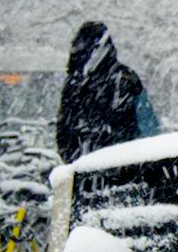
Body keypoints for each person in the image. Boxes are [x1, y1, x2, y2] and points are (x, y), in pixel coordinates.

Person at [55, 22, 159, 162]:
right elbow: (149, 128)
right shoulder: (123, 78)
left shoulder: (77, 82)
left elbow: (148, 128)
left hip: (109, 166)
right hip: (111, 166)